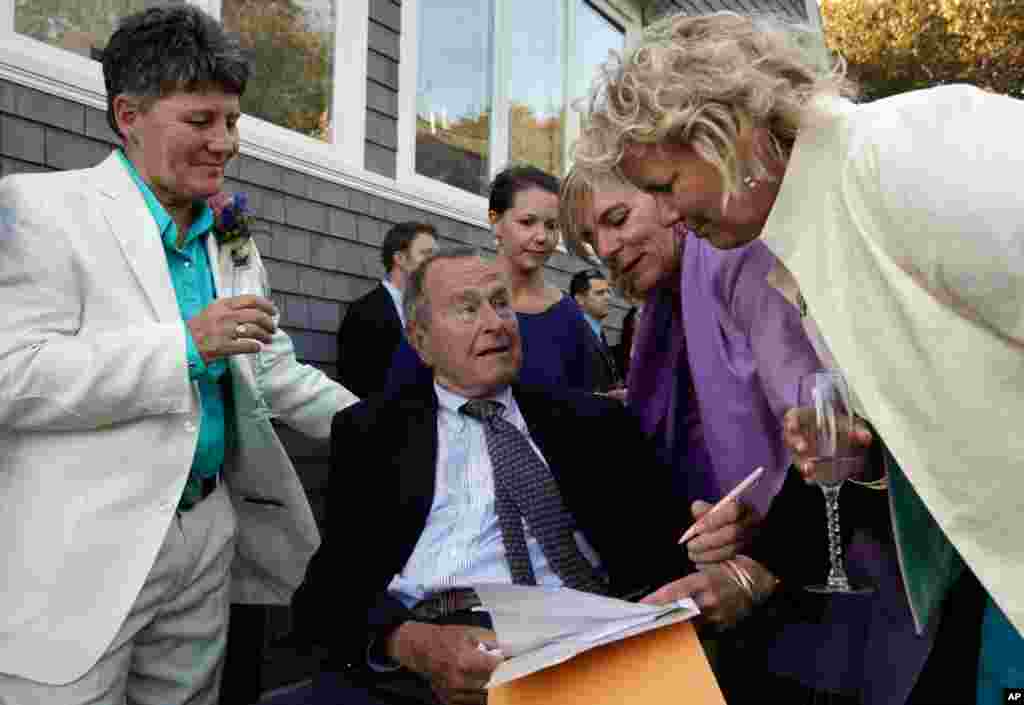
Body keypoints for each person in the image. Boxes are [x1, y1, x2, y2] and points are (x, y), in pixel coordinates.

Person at [573, 9, 1022, 701]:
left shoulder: (899, 153)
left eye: (665, 187)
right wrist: (860, 457)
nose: (665, 215)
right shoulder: (810, 237)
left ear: (721, 130)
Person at [0, 6, 358, 703]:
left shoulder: (231, 232)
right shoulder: (42, 209)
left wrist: (392, 424)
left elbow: (272, 368)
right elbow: (13, 373)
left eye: (232, 122)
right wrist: (184, 347)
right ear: (128, 113)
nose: (224, 142)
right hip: (79, 563)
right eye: (200, 121)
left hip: (208, 536)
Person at [272, 248, 759, 705]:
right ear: (421, 341)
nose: (495, 323)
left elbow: (671, 547)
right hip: (451, 644)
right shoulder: (373, 436)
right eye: (467, 309)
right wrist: (411, 644)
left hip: (593, 636)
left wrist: (717, 540)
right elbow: (328, 593)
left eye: (501, 303)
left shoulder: (592, 424)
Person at [559, 167, 841, 698]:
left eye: (617, 220)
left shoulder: (731, 257)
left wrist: (759, 559)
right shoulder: (655, 314)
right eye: (592, 242)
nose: (608, 249)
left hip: (817, 566)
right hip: (728, 570)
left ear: (670, 198)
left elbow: (826, 429)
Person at [386, 165, 599, 393]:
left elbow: (583, 406)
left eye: (552, 226)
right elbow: (402, 393)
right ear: (495, 221)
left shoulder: (568, 315)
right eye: (527, 222)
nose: (542, 237)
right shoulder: (446, 295)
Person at [336, 221, 438, 398]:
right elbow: (357, 385)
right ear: (399, 259)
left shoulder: (436, 314)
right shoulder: (365, 312)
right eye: (426, 254)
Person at [569, 268, 622, 392]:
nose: (608, 297)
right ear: (579, 299)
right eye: (600, 293)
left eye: (608, 292)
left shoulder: (598, 332)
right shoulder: (573, 334)